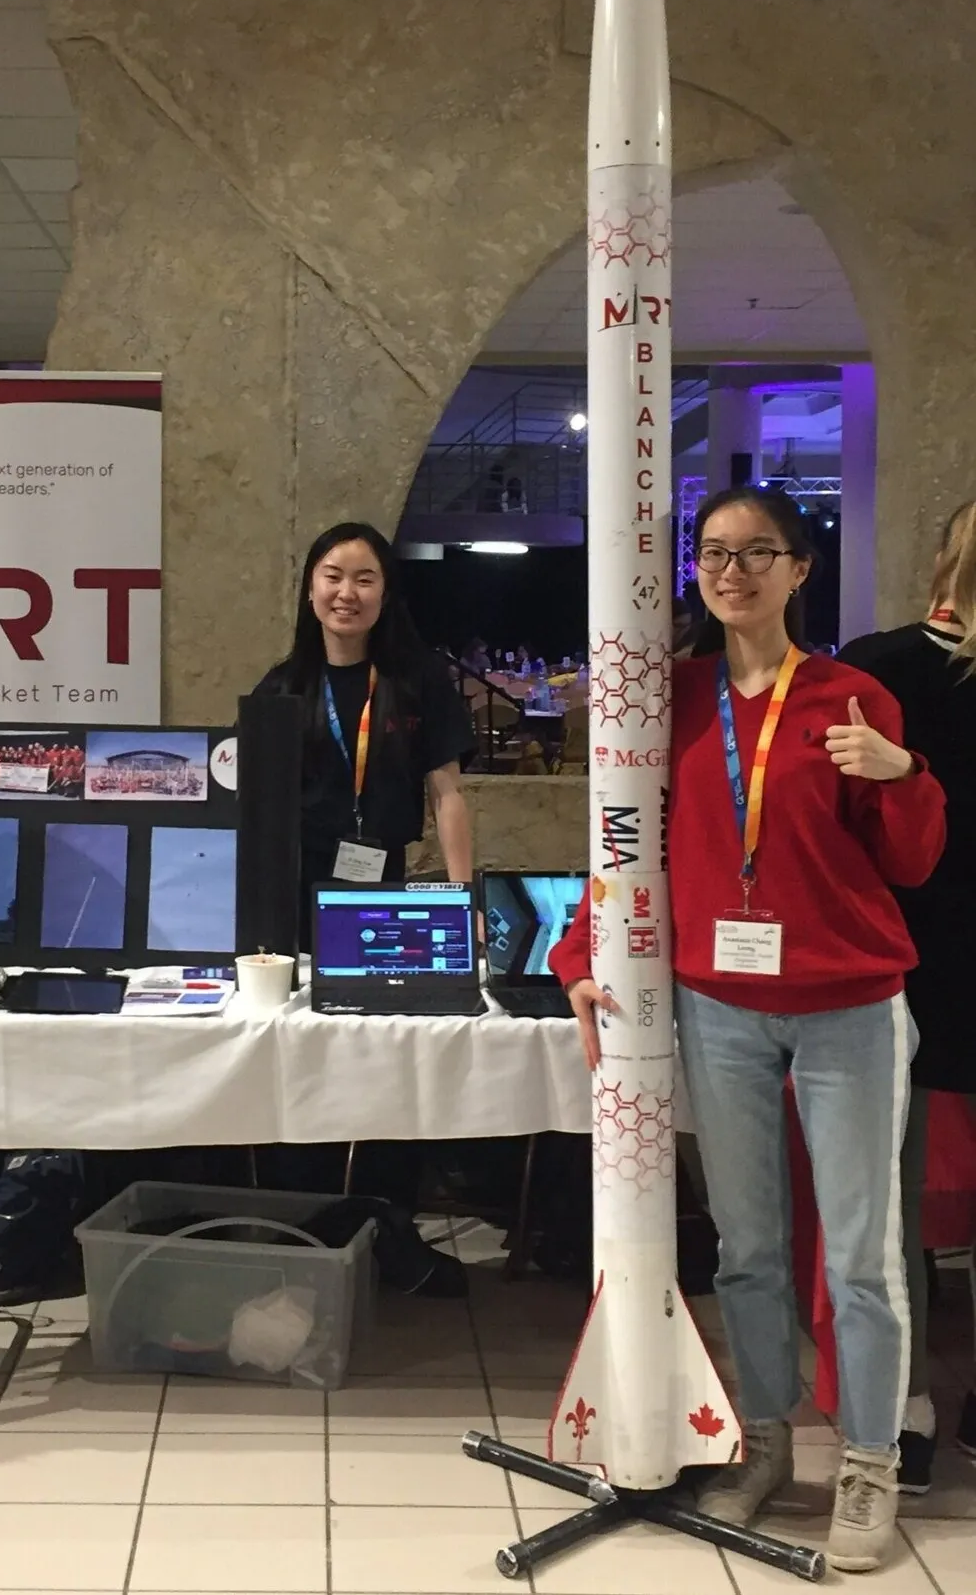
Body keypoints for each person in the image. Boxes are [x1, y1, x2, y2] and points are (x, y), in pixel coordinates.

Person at [548, 486, 945, 1574]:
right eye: (715, 553)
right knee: (750, 1245)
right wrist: (582, 954)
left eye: (758, 552)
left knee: (863, 1255)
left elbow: (910, 862)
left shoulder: (852, 697)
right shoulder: (672, 699)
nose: (734, 571)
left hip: (850, 1002)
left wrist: (905, 776)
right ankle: (765, 1435)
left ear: (800, 568)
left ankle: (868, 1461)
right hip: (718, 1002)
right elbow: (630, 842)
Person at [838, 501, 976, 1489]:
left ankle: (926, 1403)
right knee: (886, 1192)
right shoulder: (880, 663)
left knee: (893, 1191)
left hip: (914, 950)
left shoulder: (877, 661)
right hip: (907, 953)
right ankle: (909, 1399)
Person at [253, 522, 475, 936]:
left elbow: (448, 795)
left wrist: (462, 901)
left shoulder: (419, 680)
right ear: (309, 588)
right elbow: (250, 800)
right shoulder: (282, 687)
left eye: (365, 580)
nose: (347, 593)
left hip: (383, 879)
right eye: (333, 576)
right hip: (292, 889)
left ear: (385, 594)